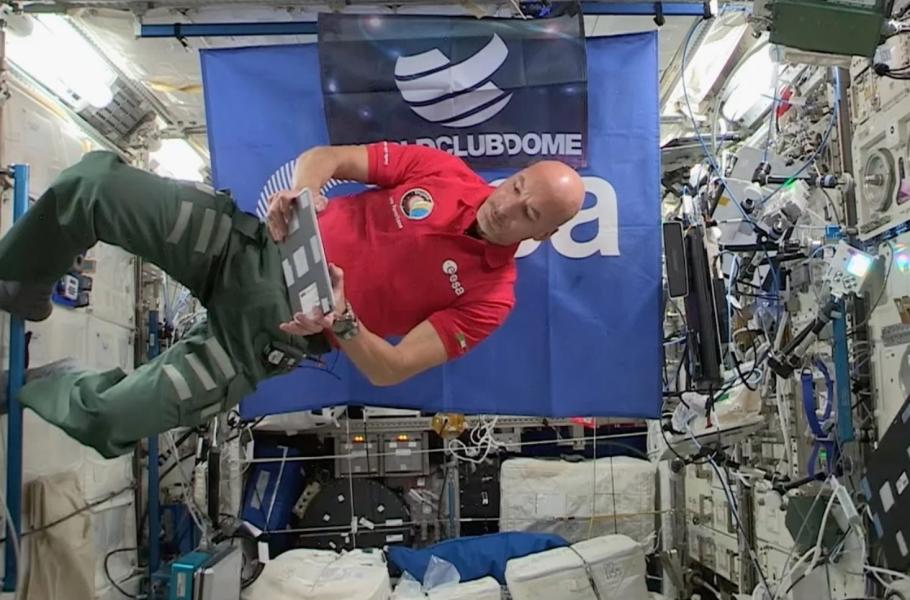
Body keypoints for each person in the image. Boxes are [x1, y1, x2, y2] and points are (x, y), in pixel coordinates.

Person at [0, 142, 584, 458]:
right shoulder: (445, 173)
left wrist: (344, 320)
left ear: (544, 234)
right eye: (517, 186)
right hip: (240, 246)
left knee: (112, 419)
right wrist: (303, 193)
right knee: (94, 186)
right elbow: (330, 157)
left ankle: (47, 384)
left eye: (528, 212)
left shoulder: (490, 300)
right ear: (516, 174)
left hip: (264, 336)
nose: (506, 206)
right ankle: (20, 282)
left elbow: (392, 369)